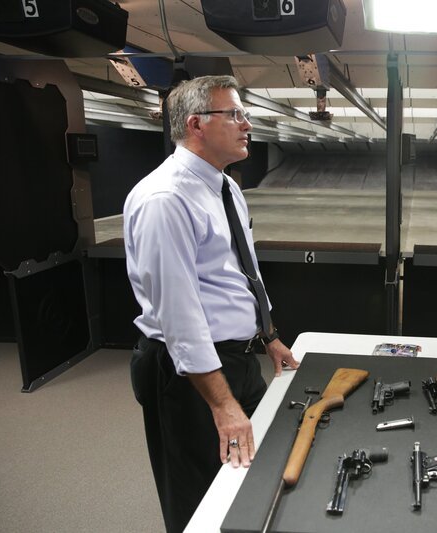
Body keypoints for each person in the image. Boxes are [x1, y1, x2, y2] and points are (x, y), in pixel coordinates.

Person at [124, 75, 299, 533]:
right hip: (187, 374)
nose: (247, 124)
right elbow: (179, 317)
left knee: (253, 474)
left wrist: (269, 334)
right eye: (235, 114)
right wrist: (221, 405)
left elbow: (239, 273)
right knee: (198, 500)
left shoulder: (226, 187)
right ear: (197, 124)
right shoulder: (166, 198)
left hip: (234, 358)